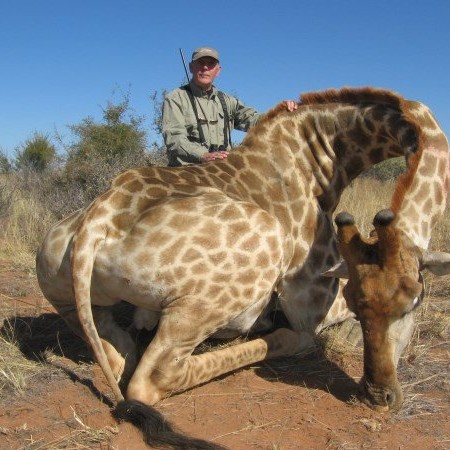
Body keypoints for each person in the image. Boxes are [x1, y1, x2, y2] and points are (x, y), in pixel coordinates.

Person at [162, 47, 297, 167]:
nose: (205, 67)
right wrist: (202, 155)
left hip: (222, 170)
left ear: (218, 71)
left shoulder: (227, 101)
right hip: (188, 171)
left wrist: (280, 111)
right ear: (191, 67)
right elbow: (174, 139)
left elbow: (254, 120)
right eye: (200, 63)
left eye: (211, 64)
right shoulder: (175, 98)